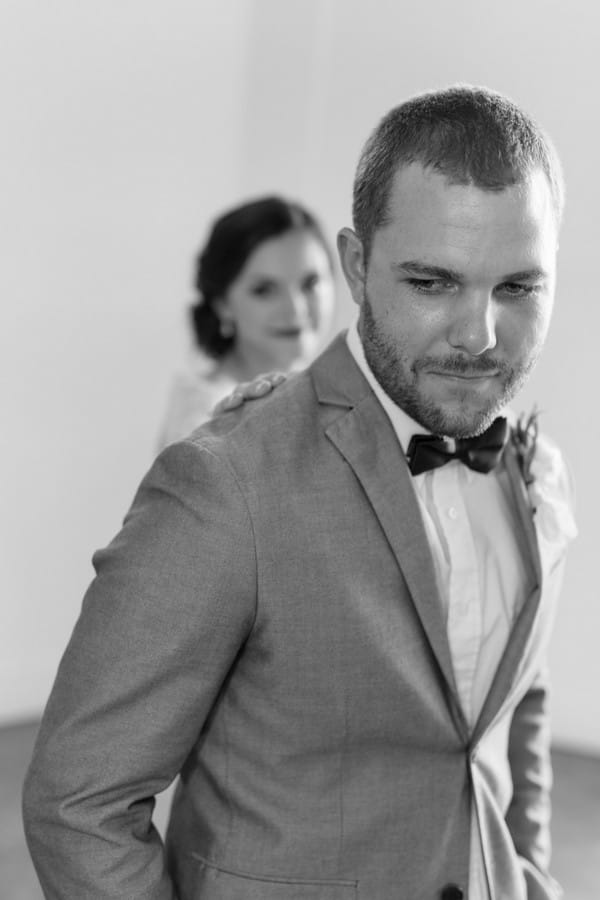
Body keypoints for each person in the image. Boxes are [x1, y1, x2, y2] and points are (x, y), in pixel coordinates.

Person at [22, 85, 577, 900]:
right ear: (356, 267)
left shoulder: (535, 469)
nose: (480, 337)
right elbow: (79, 803)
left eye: (518, 289)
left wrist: (528, 874)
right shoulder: (225, 482)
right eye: (432, 282)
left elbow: (517, 704)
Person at [157, 195, 336, 448]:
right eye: (264, 290)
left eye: (310, 283)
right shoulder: (204, 423)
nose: (295, 308)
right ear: (223, 304)